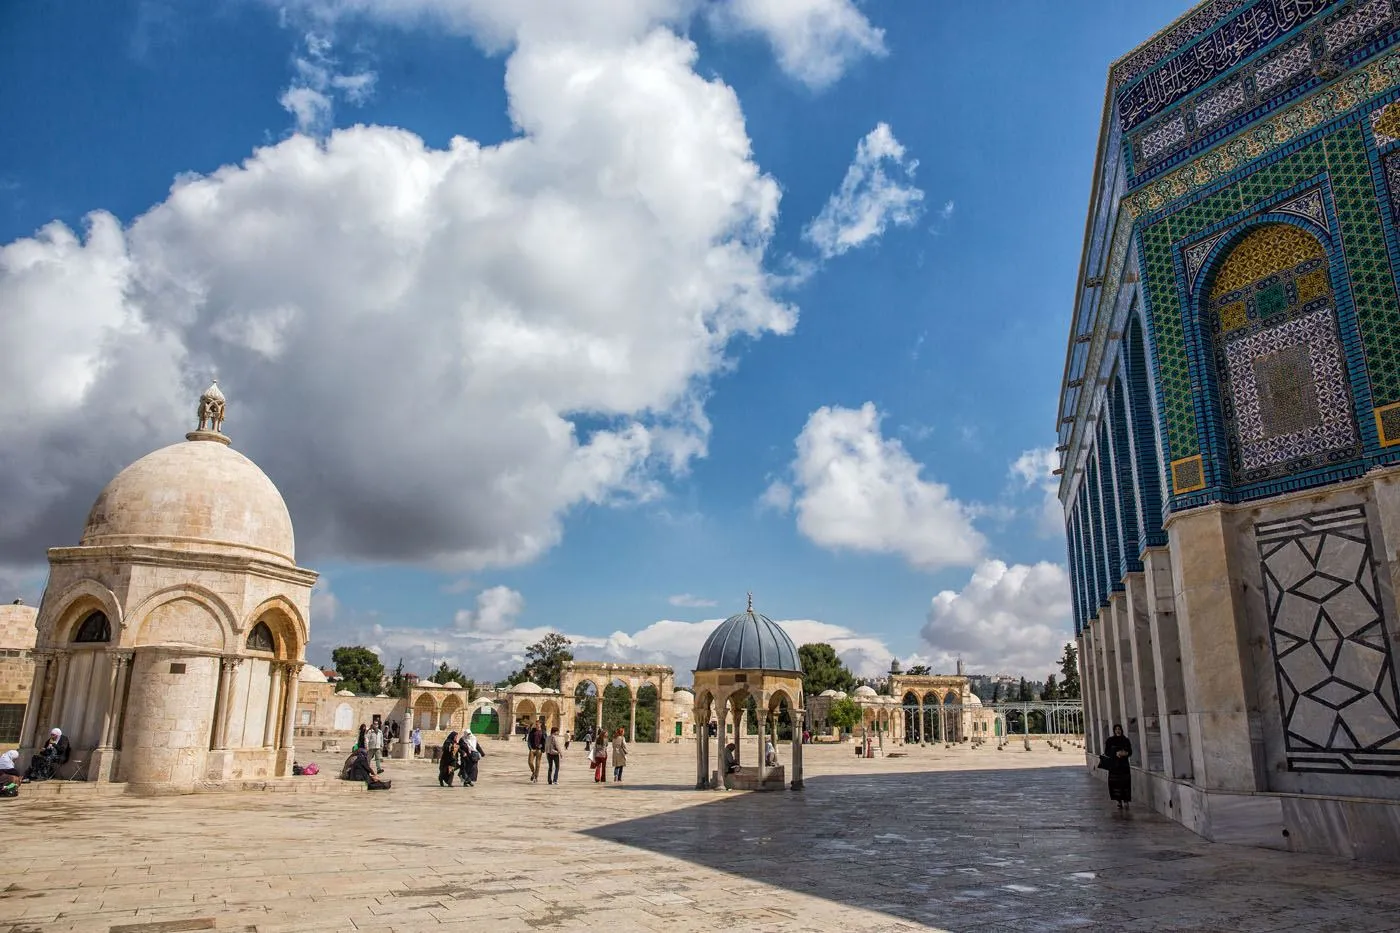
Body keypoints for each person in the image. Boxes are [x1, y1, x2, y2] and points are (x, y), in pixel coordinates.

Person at [1103, 724, 1133, 809]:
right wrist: (1115, 753)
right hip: (1115, 766)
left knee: (1125, 784)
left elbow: (1130, 751)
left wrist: (1125, 753)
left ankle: (1126, 800)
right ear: (1114, 730)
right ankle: (1119, 801)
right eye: (1116, 729)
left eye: (1119, 729)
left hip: (1124, 766)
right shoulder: (1110, 740)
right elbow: (1107, 752)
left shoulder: (1125, 740)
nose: (1118, 731)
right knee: (1116, 784)